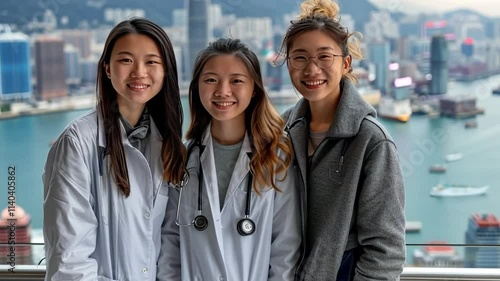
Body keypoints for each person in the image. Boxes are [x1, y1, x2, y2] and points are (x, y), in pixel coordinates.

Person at [42, 18, 186, 281]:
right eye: (126, 60)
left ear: (166, 71)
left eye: (152, 62)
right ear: (107, 69)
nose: (139, 72)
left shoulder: (168, 144)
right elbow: (70, 259)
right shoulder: (77, 142)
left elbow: (170, 242)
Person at [278, 0, 406, 280]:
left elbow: (386, 249)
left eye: (325, 57)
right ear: (288, 64)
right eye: (300, 57)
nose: (312, 69)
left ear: (346, 63)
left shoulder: (371, 141)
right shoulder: (282, 129)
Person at [157, 38, 301, 281]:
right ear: (197, 87)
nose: (223, 91)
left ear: (254, 88)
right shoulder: (182, 157)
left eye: (236, 81)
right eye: (211, 80)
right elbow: (170, 243)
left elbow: (285, 249)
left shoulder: (278, 157)